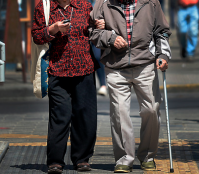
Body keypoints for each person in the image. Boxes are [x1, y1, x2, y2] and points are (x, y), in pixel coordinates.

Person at [90, 0, 171, 172]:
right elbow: (92, 32)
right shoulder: (103, 3)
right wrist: (110, 38)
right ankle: (124, 159)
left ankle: (147, 155)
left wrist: (163, 54)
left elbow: (162, 31)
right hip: (115, 65)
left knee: (151, 109)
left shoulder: (151, 2)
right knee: (119, 113)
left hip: (145, 63)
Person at [31, 0, 104, 173]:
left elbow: (92, 32)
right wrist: (53, 29)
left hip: (84, 68)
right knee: (59, 116)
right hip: (57, 69)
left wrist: (99, 26)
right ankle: (55, 161)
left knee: (85, 115)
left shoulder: (84, 5)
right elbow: (36, 36)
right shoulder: (44, 6)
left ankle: (82, 159)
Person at [88, 0, 108, 96]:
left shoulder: (103, 1)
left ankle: (103, 85)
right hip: (86, 32)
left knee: (97, 57)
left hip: (97, 33)